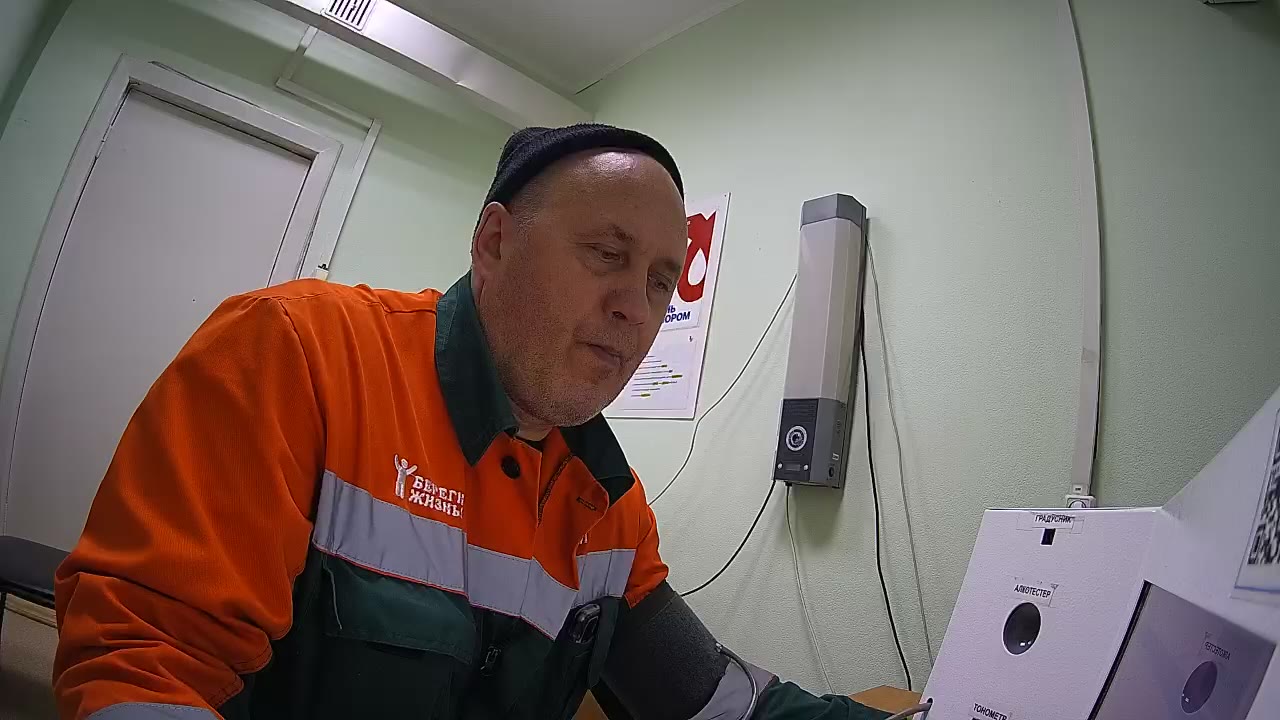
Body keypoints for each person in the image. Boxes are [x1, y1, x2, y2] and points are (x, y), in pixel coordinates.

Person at [54, 124, 888, 720]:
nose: (637, 309)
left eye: (662, 281)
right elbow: (147, 666)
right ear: (493, 243)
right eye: (608, 255)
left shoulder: (611, 509)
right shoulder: (299, 353)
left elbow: (710, 698)